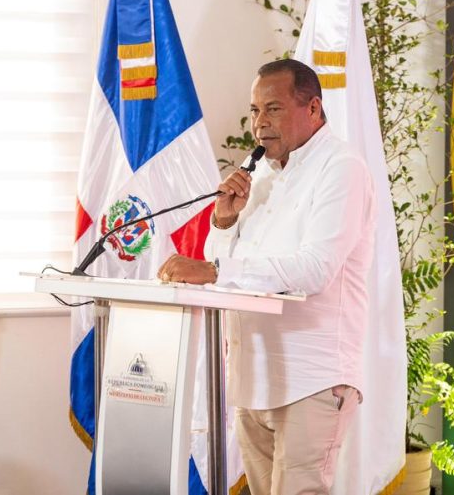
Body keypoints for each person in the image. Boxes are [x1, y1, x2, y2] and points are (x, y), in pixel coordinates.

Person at [157, 58, 374, 495]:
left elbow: (314, 269)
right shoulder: (258, 174)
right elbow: (227, 269)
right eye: (255, 110)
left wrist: (213, 270)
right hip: (253, 376)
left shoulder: (341, 168)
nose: (259, 123)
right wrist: (223, 221)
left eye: (273, 109)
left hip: (311, 377)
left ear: (313, 108)